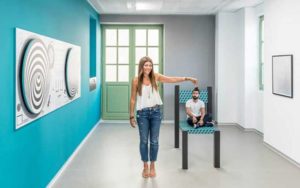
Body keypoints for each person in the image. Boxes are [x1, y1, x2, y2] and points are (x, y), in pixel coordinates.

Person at [129, 56, 198, 178]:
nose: (148, 67)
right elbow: (133, 99)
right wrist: (131, 116)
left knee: (154, 141)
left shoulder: (155, 76)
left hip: (156, 112)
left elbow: (171, 79)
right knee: (144, 141)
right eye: (146, 65)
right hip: (142, 114)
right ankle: (145, 166)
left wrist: (187, 78)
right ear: (141, 66)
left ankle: (153, 166)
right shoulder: (135, 80)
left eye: (150, 65)